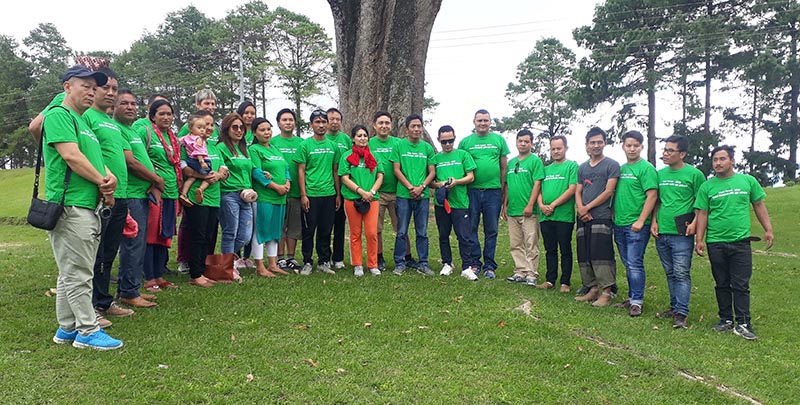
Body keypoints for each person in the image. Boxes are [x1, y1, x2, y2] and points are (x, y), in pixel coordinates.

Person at [45, 66, 123, 350]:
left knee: (71, 270)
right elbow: (71, 156)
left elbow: (92, 156)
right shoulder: (59, 116)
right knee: (79, 272)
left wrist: (108, 176)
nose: (91, 91)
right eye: (85, 86)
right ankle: (88, 331)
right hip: (71, 205)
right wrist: (103, 181)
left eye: (95, 87)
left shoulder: (83, 122)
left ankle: (67, 328)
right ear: (67, 86)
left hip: (87, 204)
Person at [695, 145, 774, 341]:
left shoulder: (747, 181)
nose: (718, 163)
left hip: (741, 243)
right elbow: (702, 214)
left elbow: (758, 205)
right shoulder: (707, 186)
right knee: (721, 283)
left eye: (722, 159)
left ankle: (744, 323)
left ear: (732, 161)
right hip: (716, 242)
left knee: (740, 284)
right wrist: (699, 239)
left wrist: (768, 229)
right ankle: (725, 320)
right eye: (715, 160)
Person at [81, 68, 133, 327]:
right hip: (101, 195)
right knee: (95, 253)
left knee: (109, 251)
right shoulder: (86, 116)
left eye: (115, 88)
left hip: (121, 195)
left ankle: (103, 301)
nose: (111, 93)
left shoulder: (113, 123)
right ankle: (89, 307)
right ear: (94, 89)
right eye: (106, 88)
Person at [651, 135, 705, 329]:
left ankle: (681, 313)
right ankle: (674, 307)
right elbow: (657, 201)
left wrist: (695, 223)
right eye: (664, 150)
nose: (665, 154)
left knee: (681, 273)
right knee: (670, 272)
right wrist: (654, 221)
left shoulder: (695, 175)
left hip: (682, 232)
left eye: (670, 151)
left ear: (682, 153)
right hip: (662, 231)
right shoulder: (660, 174)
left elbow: (702, 204)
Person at [114, 89, 160, 308]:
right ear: (113, 106)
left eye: (133, 103)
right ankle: (129, 292)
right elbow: (130, 163)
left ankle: (131, 287)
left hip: (142, 194)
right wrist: (157, 180)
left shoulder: (132, 130)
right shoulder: (118, 130)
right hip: (130, 194)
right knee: (132, 244)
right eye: (124, 103)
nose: (131, 107)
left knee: (139, 243)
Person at [458, 109, 510, 279]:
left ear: (490, 122)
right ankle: (475, 263)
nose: (482, 123)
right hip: (472, 191)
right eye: (479, 120)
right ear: (474, 122)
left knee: (491, 229)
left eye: (485, 120)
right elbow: (462, 167)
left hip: (493, 192)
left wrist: (502, 189)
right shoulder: (466, 142)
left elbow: (504, 167)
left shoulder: (499, 140)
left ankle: (489, 266)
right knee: (471, 228)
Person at [612, 130, 658, 317]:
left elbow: (652, 195)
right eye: (628, 145)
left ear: (641, 147)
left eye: (636, 145)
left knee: (635, 263)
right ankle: (631, 297)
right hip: (619, 223)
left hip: (637, 225)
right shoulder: (621, 169)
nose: (632, 149)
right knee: (627, 262)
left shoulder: (646, 169)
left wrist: (641, 220)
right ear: (623, 146)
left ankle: (637, 301)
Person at [180, 113, 228, 287]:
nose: (208, 128)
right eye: (204, 125)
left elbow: (224, 168)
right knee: (197, 235)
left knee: (208, 236)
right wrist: (203, 175)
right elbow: (184, 168)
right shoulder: (188, 145)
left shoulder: (214, 147)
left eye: (211, 125)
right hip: (196, 197)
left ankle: (202, 270)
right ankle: (195, 274)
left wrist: (220, 175)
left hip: (214, 198)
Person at [574, 127, 620, 307]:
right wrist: (580, 208)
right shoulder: (582, 167)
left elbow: (609, 191)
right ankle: (592, 288)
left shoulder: (612, 165)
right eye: (592, 142)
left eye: (599, 142)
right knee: (585, 253)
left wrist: (588, 208)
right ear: (586, 144)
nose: (596, 145)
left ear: (605, 143)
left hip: (600, 216)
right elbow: (578, 190)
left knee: (602, 254)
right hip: (583, 217)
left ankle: (606, 291)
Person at [294, 110, 341, 275]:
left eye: (323, 122)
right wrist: (303, 194)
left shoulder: (334, 146)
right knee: (309, 230)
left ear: (327, 124)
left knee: (326, 230)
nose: (321, 125)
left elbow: (335, 171)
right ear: (311, 125)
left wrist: (338, 194)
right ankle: (307, 261)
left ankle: (323, 261)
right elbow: (301, 171)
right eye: (317, 122)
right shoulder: (305, 145)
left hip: (328, 194)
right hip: (311, 194)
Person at [430, 125, 479, 280]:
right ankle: (447, 263)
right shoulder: (435, 158)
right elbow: (430, 181)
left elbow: (471, 176)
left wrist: (456, 182)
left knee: (464, 236)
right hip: (442, 203)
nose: (448, 144)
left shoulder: (463, 155)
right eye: (444, 141)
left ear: (454, 138)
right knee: (443, 234)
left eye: (450, 140)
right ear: (439, 140)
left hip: (460, 203)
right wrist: (440, 185)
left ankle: (467, 266)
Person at [142, 99, 181, 293]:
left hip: (171, 192)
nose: (166, 117)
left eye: (169, 114)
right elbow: (140, 158)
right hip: (154, 191)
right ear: (152, 116)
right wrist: (154, 180)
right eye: (161, 114)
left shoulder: (172, 137)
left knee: (164, 235)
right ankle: (148, 277)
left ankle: (159, 274)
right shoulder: (146, 132)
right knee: (151, 235)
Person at [390, 114, 436, 276]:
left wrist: (422, 187)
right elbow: (396, 169)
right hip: (404, 195)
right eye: (413, 126)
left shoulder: (427, 148)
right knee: (402, 231)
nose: (416, 129)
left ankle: (423, 263)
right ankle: (400, 262)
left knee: (422, 232)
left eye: (419, 126)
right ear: (406, 128)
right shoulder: (399, 146)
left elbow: (432, 171)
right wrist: (410, 187)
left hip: (422, 196)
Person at [368, 111, 414, 271]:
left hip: (397, 192)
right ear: (374, 125)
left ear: (391, 125)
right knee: (377, 228)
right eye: (381, 123)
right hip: (377, 193)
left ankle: (407, 257)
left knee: (401, 227)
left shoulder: (398, 143)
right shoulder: (368, 144)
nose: (384, 126)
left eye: (387, 123)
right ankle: (379, 257)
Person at [339, 124, 384, 276]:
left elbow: (380, 175)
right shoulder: (346, 157)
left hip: (372, 199)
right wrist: (360, 191)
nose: (362, 138)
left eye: (365, 135)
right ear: (353, 138)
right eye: (359, 136)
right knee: (355, 233)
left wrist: (371, 192)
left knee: (372, 233)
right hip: (353, 199)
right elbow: (345, 178)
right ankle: (357, 264)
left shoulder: (374, 156)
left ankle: (373, 264)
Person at [249, 117, 291, 278]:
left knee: (275, 231)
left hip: (280, 198)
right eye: (262, 130)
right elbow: (256, 172)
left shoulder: (274, 148)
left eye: (268, 129)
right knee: (261, 231)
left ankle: (272, 264)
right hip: (264, 197)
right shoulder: (254, 150)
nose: (266, 133)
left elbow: (286, 167)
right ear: (254, 132)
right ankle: (260, 266)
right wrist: (275, 186)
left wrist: (287, 183)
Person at [502, 130, 545, 286]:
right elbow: (507, 185)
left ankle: (532, 274)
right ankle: (520, 271)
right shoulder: (512, 163)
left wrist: (530, 205)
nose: (523, 144)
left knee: (531, 242)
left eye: (527, 141)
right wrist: (505, 205)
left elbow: (538, 184)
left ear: (531, 143)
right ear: (516, 142)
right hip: (513, 210)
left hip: (529, 211)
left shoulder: (535, 161)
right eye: (520, 141)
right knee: (515, 243)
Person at [536, 135, 578, 292]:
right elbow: (538, 189)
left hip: (563, 216)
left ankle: (565, 282)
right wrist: (541, 205)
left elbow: (572, 188)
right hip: (545, 216)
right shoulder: (545, 169)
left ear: (565, 148)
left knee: (565, 249)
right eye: (553, 148)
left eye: (559, 148)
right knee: (550, 249)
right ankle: (550, 279)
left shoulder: (572, 166)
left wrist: (553, 205)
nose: (556, 151)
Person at [216, 113, 255, 265]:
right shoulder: (221, 147)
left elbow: (250, 168)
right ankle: (227, 267)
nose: (239, 130)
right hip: (229, 195)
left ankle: (226, 260)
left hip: (246, 195)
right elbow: (221, 169)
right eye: (235, 127)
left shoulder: (245, 149)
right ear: (227, 129)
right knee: (230, 232)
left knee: (245, 235)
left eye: (242, 128)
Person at [272, 108, 304, 273]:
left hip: (296, 192)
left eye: (291, 120)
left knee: (293, 226)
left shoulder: (301, 143)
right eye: (284, 120)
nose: (288, 122)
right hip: (277, 192)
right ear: (278, 123)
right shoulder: (272, 142)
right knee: (279, 226)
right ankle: (280, 258)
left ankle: (291, 257)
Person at [325, 108, 353, 270]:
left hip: (344, 189)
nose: (335, 122)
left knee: (340, 224)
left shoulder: (345, 140)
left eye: (337, 119)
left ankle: (338, 257)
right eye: (331, 119)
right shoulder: (322, 138)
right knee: (326, 225)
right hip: (326, 189)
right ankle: (325, 257)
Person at [178, 114, 212, 206]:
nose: (202, 130)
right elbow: (199, 151)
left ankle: (184, 194)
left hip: (190, 161)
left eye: (203, 128)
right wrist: (202, 162)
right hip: (200, 161)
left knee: (192, 177)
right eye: (199, 127)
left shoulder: (186, 138)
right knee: (209, 176)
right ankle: (201, 189)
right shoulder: (199, 139)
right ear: (190, 128)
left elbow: (178, 142)